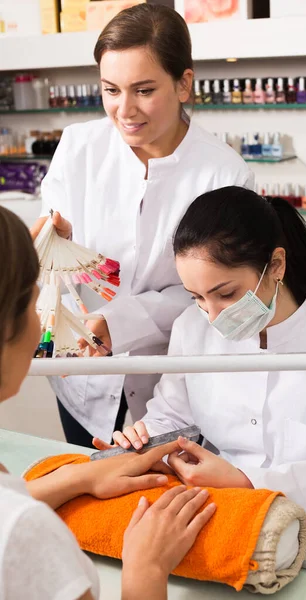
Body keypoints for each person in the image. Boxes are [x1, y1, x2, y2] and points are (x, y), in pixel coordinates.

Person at [30, 4, 253, 448]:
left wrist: (117, 322)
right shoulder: (79, 147)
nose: (124, 110)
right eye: (110, 89)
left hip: (171, 382)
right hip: (82, 375)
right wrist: (56, 243)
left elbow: (214, 294)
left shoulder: (224, 174)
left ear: (184, 83)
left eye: (144, 90)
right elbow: (54, 251)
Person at [97, 186, 306, 518]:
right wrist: (144, 441)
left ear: (276, 265)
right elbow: (172, 416)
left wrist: (245, 481)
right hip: (215, 506)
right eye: (196, 297)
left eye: (225, 293)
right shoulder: (190, 328)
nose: (212, 315)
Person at [0, 205, 216, 600]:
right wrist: (146, 569)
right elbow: (13, 525)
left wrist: (78, 478)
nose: (46, 325)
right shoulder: (26, 534)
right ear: (9, 326)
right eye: (36, 303)